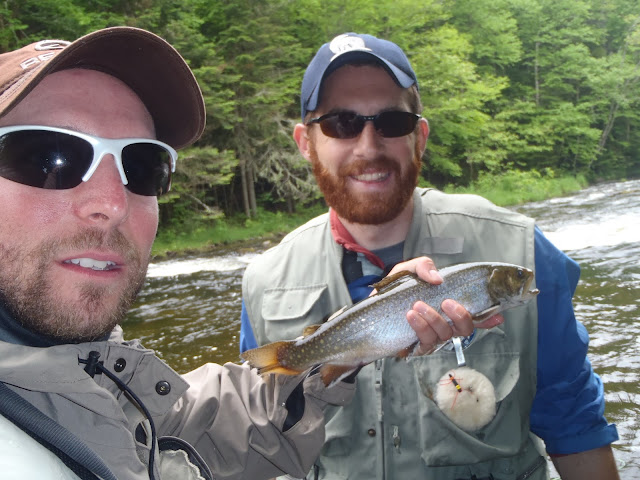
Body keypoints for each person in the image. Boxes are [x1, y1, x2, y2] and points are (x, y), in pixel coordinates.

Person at [240, 33, 620, 479]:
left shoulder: (522, 248)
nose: (368, 147)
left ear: (419, 136)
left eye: (392, 122)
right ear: (306, 142)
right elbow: (257, 444)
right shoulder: (264, 283)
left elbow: (574, 423)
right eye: (342, 123)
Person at [0, 26, 368, 480]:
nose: (112, 204)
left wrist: (358, 333)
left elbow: (200, 428)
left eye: (141, 166)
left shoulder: (101, 379)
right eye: (48, 157)